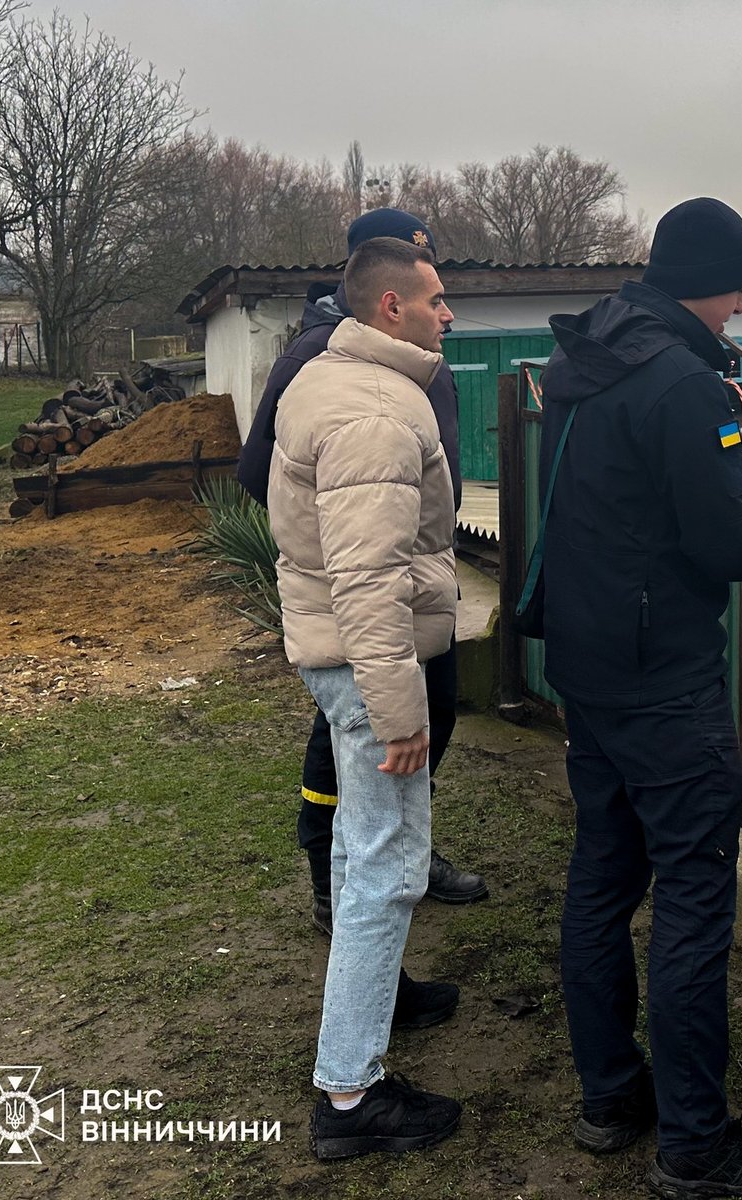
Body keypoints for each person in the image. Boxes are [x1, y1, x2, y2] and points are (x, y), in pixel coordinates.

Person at [539, 197, 742, 1199]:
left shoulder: (594, 353)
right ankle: (696, 1148)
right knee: (691, 900)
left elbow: (631, 485)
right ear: (711, 283)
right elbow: (731, 546)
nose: (739, 310)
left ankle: (610, 1098)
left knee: (602, 877)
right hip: (663, 680)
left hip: (586, 664)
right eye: (737, 291)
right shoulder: (685, 385)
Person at [236, 208, 488, 949]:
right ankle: (329, 871)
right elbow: (263, 471)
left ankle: (406, 849)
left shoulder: (408, 350)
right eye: (425, 283)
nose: (444, 310)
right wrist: (340, 543)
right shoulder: (324, 355)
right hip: (366, 593)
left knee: (425, 723)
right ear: (380, 289)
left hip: (411, 583)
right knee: (359, 740)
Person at [269, 236, 463, 1159]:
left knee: (360, 853)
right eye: (434, 299)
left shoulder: (330, 373)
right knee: (387, 869)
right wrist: (399, 711)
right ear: (392, 308)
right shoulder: (374, 415)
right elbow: (366, 577)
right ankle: (349, 1097)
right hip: (364, 661)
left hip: (340, 653)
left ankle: (367, 1028)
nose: (447, 312)